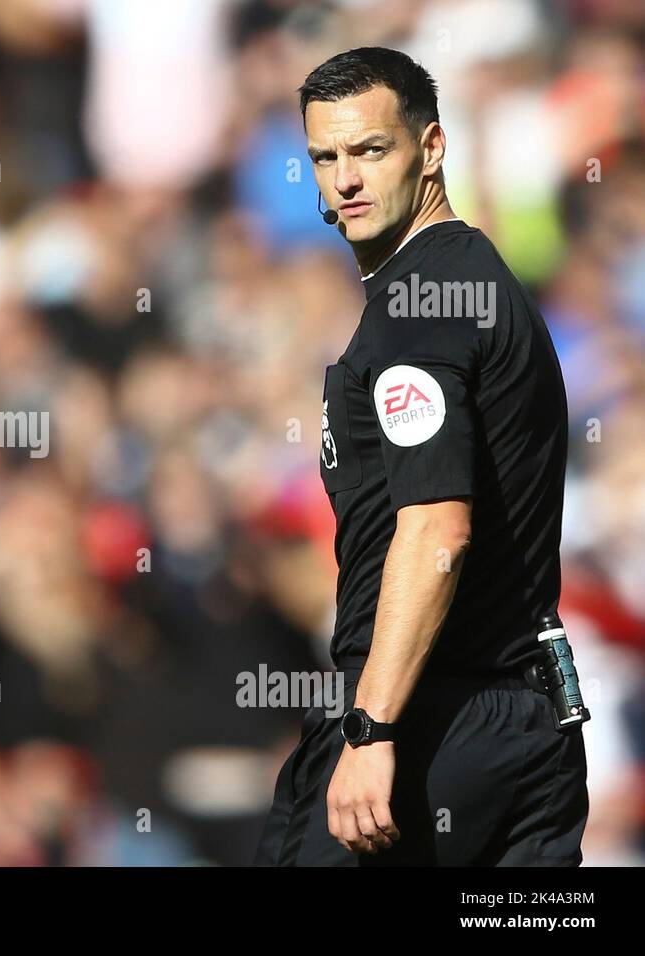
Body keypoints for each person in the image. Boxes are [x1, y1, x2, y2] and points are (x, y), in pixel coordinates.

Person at [255, 47, 589, 865]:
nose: (346, 180)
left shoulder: (418, 310)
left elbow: (438, 531)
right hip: (534, 723)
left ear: (431, 148)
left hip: (435, 726)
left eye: (371, 150)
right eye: (325, 159)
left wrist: (371, 729)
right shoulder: (477, 282)